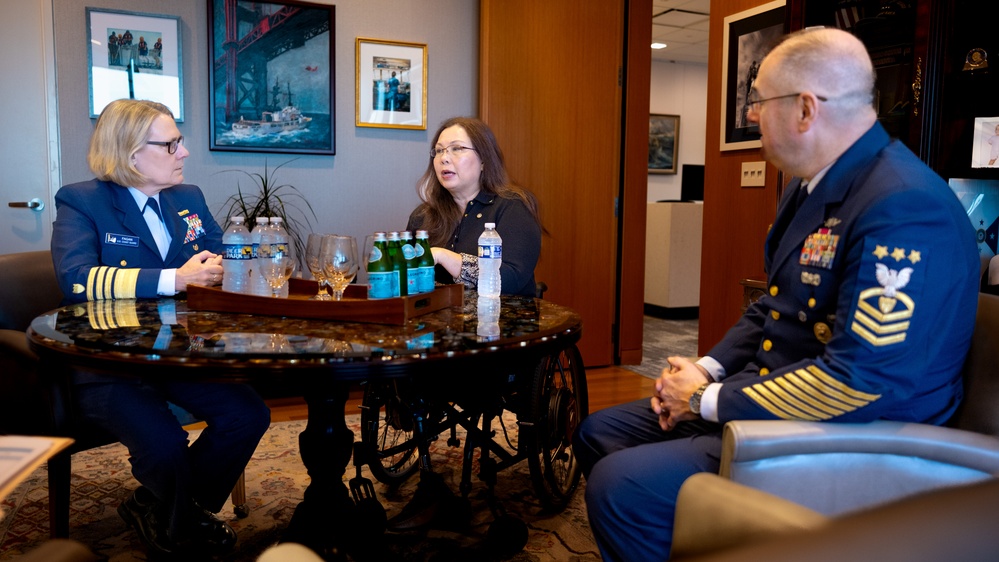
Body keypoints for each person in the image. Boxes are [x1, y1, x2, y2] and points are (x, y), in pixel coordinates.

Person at [573, 27, 980, 561]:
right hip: (777, 401)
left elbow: (858, 384)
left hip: (855, 439)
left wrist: (704, 400)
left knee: (621, 487)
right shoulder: (809, 185)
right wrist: (706, 369)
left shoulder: (903, 206)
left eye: (758, 101)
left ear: (806, 110)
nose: (748, 116)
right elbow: (773, 303)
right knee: (599, 432)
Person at [51, 99, 271, 559]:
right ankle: (182, 523)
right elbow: (77, 280)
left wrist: (252, 258)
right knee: (166, 443)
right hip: (108, 361)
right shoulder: (82, 200)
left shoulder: (186, 198)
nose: (184, 152)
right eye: (171, 143)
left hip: (178, 353)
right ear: (132, 154)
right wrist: (176, 279)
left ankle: (161, 506)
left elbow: (223, 254)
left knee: (249, 413)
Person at [386, 116, 543, 530]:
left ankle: (445, 491)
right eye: (438, 151)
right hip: (439, 332)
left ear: (483, 157)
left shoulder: (512, 208)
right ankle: (429, 482)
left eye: (457, 149)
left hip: (499, 335)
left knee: (433, 370)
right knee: (392, 360)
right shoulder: (425, 214)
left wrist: (442, 256)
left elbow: (510, 277)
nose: (444, 158)